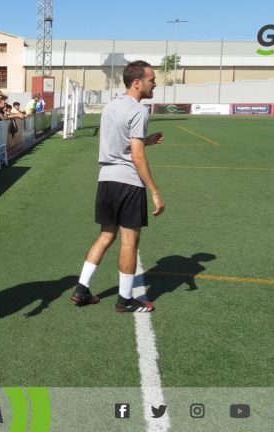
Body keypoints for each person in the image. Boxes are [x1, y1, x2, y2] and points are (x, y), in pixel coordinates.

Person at [70, 60, 164, 313]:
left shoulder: (111, 106)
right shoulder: (139, 111)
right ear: (137, 82)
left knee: (106, 234)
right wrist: (154, 191)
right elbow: (136, 156)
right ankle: (125, 300)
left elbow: (121, 142)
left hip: (106, 180)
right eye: (151, 79)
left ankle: (82, 288)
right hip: (128, 182)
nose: (155, 83)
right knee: (129, 241)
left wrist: (147, 141)